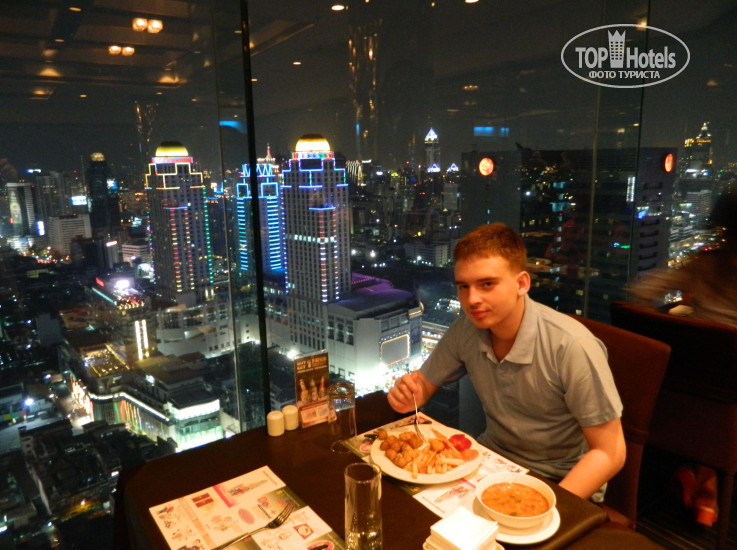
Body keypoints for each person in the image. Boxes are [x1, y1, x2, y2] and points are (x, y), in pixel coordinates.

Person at [388, 222, 626, 501]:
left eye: (487, 284)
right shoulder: (466, 330)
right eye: (463, 287)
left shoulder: (571, 346)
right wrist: (408, 396)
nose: (472, 299)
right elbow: (422, 388)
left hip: (558, 479)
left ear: (521, 284)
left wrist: (549, 504)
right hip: (492, 460)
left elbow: (611, 452)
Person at [628, 190, 737, 526]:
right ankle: (707, 487)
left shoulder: (704, 264)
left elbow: (641, 292)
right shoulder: (705, 265)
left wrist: (666, 326)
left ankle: (704, 481)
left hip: (683, 390)